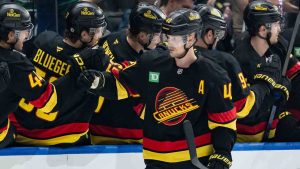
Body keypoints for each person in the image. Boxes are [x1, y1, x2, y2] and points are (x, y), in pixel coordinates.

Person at [87, 8, 236, 169]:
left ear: (191, 38)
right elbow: (123, 84)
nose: (169, 43)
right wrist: (99, 82)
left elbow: (223, 122)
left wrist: (222, 154)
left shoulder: (213, 75)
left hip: (195, 161)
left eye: (175, 39)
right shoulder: (152, 63)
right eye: (168, 37)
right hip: (155, 161)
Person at [9, 1, 109, 146]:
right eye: (98, 30)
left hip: (20, 131)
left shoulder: (43, 39)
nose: (101, 34)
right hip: (63, 137)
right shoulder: (94, 61)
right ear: (85, 34)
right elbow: (99, 108)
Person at [89, 2, 165, 145]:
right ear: (142, 36)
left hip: (105, 129)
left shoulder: (112, 38)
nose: (160, 39)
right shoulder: (135, 62)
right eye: (157, 35)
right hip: (113, 135)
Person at [233, 0, 300, 142]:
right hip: (248, 133)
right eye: (276, 25)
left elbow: (297, 75)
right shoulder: (240, 60)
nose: (280, 29)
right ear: (263, 30)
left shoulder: (279, 45)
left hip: (274, 119)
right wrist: (272, 92)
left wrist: (285, 86)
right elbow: (246, 109)